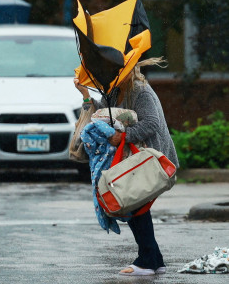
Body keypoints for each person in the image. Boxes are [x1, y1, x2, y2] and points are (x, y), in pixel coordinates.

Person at [74, 57, 179, 276]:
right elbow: (101, 114)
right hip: (133, 157)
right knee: (134, 203)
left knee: (134, 203)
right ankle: (154, 259)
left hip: (151, 157)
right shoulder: (113, 90)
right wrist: (85, 94)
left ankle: (147, 260)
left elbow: (152, 124)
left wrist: (123, 135)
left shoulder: (141, 91)